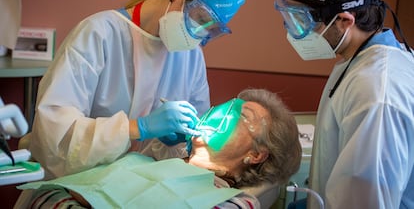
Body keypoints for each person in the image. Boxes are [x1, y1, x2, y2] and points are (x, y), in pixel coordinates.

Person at [25, 0, 246, 179]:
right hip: (78, 182)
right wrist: (138, 128)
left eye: (211, 30)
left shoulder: (192, 57)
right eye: (200, 18)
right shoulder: (99, 33)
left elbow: (194, 145)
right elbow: (53, 136)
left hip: (141, 186)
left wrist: (182, 140)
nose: (199, 34)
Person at [274, 0, 414, 209]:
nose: (292, 30)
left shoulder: (375, 92)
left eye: (301, 19)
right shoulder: (359, 60)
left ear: (345, 20)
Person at [16, 88, 302, 209]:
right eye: (228, 105)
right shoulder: (143, 161)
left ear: (255, 155)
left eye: (242, 116)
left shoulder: (238, 201)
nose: (224, 113)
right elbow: (48, 194)